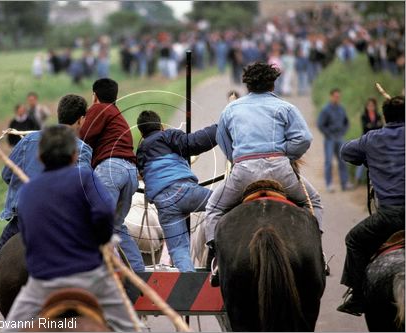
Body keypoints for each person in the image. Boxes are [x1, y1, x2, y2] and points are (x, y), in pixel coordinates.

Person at [3, 125, 141, 332]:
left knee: (10, 329)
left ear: (40, 157)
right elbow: (105, 212)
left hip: (42, 282)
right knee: (131, 328)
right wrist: (102, 241)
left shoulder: (27, 192)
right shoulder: (85, 177)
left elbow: (28, 232)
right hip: (90, 277)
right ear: (74, 154)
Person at [204, 62, 323, 266]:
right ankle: (317, 254)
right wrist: (285, 155)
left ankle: (216, 260)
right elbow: (303, 139)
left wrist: (238, 159)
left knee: (213, 208)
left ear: (247, 86)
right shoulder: (286, 107)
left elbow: (223, 141)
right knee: (313, 201)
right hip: (280, 171)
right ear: (273, 85)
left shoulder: (230, 109)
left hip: (243, 173)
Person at [0, 94, 92, 254]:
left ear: (58, 114)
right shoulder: (82, 148)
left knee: (2, 250)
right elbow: (82, 188)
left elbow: (7, 174)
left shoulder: (28, 140)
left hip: (23, 219)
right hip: (59, 221)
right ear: (81, 120)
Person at [337, 95, 405, 316]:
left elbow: (345, 151)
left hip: (387, 217)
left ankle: (357, 297)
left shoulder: (372, 139)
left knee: (354, 240)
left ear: (384, 116)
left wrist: (368, 156)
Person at [136, 110, 217, 272]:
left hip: (164, 205)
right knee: (223, 204)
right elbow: (194, 142)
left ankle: (191, 286)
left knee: (178, 249)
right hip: (184, 191)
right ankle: (215, 248)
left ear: (141, 133)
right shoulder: (167, 136)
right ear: (161, 126)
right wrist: (219, 128)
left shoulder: (140, 153)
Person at [80, 78, 145, 272]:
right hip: (130, 173)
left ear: (95, 96)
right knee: (116, 227)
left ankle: (94, 277)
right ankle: (139, 273)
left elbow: (81, 138)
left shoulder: (99, 109)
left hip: (110, 170)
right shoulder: (117, 114)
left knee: (95, 223)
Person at [317, 88, 352, 192]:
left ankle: (345, 183)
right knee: (329, 161)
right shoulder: (325, 109)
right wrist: (328, 134)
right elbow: (320, 124)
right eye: (335, 96)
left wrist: (343, 131)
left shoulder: (341, 108)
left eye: (338, 96)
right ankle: (329, 184)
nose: (337, 98)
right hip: (330, 139)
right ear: (331, 96)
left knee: (343, 160)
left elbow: (346, 122)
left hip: (340, 137)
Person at [354, 98, 383, 184]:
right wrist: (375, 125)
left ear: (375, 106)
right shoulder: (364, 116)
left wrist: (371, 126)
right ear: (366, 106)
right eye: (369, 105)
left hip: (376, 140)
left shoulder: (378, 115)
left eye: (372, 105)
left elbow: (380, 127)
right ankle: (357, 179)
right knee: (363, 159)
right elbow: (366, 127)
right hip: (366, 140)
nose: (370, 107)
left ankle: (376, 179)